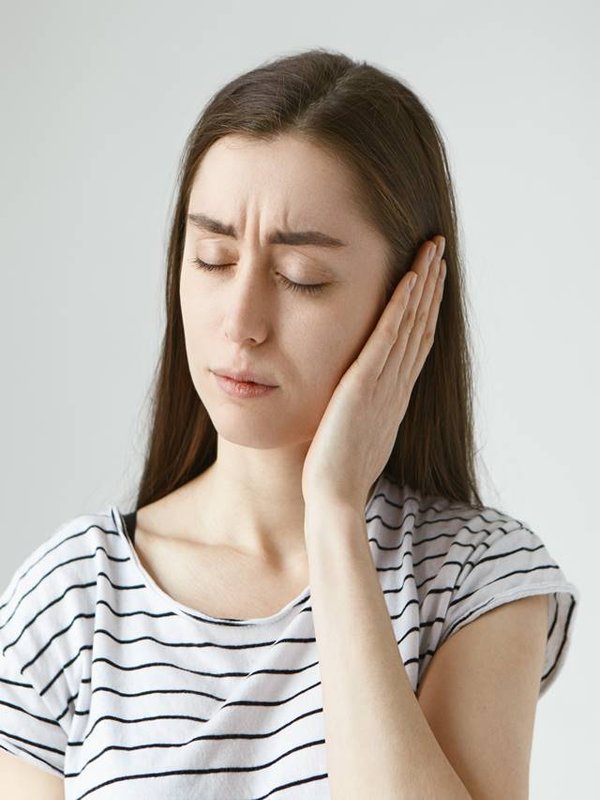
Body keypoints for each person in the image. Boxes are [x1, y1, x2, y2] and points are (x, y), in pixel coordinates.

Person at [0, 47, 579, 799]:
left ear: (411, 297)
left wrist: (334, 513)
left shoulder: (474, 578)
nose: (240, 322)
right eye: (211, 258)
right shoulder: (71, 597)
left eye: (300, 278)